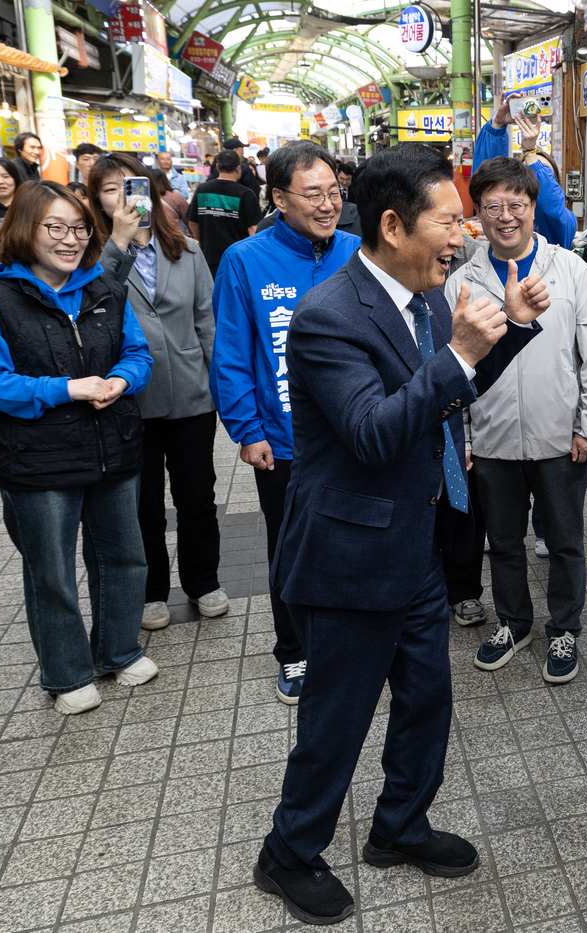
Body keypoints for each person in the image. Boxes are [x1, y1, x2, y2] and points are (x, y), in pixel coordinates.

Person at [252, 142, 550, 926]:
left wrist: (506, 333)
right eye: (450, 221)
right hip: (349, 557)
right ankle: (287, 851)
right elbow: (376, 432)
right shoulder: (328, 317)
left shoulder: (421, 295)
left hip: (412, 545)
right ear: (392, 224)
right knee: (336, 719)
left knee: (427, 700)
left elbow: (441, 395)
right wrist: (459, 351)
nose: (465, 236)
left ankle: (399, 825)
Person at [0, 180, 157, 715]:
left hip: (112, 448)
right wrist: (66, 389)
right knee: (50, 571)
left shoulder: (106, 290)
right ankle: (67, 674)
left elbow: (138, 354)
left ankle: (118, 650)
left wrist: (121, 380)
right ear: (26, 229)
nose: (70, 240)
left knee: (123, 557)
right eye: (56, 227)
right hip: (39, 460)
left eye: (78, 228)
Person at [446, 157, 587, 684]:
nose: (505, 216)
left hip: (560, 436)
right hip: (491, 439)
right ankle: (514, 623)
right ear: (479, 213)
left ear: (534, 208)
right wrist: (465, 437)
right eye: (491, 206)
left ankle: (564, 628)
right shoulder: (462, 282)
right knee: (505, 540)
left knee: (565, 540)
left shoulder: (571, 270)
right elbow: (455, 368)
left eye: (515, 205)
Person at [210, 141, 358, 705]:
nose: (327, 205)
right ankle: (293, 651)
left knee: (352, 542)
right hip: (284, 442)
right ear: (278, 198)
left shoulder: (358, 250)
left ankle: (348, 643)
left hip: (356, 433)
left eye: (334, 193)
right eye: (312, 194)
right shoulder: (245, 261)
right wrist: (247, 430)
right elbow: (230, 352)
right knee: (291, 547)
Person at [89, 152, 228, 630]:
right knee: (142, 502)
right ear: (98, 200)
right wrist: (119, 244)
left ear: (148, 189)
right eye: (110, 189)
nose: (122, 196)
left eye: (130, 185)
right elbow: (98, 303)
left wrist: (218, 384)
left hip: (190, 393)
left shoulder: (186, 250)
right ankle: (152, 590)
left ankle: (203, 580)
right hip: (129, 399)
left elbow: (207, 320)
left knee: (197, 496)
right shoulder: (92, 259)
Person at [474, 100, 576, 248]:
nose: (533, 181)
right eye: (526, 172)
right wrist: (497, 125)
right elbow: (486, 182)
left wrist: (529, 151)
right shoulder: (502, 213)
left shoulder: (564, 222)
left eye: (544, 175)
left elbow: (551, 211)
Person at [187, 148, 262, 277]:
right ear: (238, 168)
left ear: (217, 167)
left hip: (209, 257)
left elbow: (192, 222)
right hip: (237, 259)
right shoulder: (246, 194)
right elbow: (253, 229)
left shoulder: (202, 190)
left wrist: (200, 240)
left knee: (212, 294)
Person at [151, 167, 190, 232]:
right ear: (165, 180)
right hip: (174, 236)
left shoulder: (143, 198)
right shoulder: (176, 197)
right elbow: (188, 218)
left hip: (150, 237)